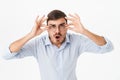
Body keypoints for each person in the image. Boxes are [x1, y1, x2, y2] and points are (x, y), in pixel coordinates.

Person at [3, 9, 113, 80]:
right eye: (52, 26)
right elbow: (7, 54)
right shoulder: (38, 44)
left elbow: (107, 47)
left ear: (67, 26)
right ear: (46, 28)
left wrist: (84, 31)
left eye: (61, 25)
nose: (57, 31)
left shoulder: (77, 41)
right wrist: (31, 35)